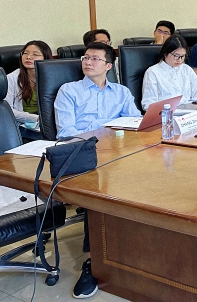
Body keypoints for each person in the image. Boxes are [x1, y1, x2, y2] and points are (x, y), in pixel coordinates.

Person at [54, 41, 141, 299]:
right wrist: (104, 137)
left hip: (118, 153)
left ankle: (137, 251)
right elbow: (66, 132)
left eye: (94, 58)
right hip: (84, 154)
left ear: (108, 66)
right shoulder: (69, 90)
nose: (88, 62)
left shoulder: (121, 92)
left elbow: (135, 121)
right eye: (85, 57)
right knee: (101, 192)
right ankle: (92, 262)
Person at [141, 34, 197, 110]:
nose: (179, 60)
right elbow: (148, 104)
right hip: (167, 113)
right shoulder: (153, 72)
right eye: (176, 55)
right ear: (165, 53)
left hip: (190, 111)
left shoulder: (186, 69)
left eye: (183, 56)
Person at [6, 40, 53, 141]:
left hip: (48, 125)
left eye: (35, 54)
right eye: (25, 53)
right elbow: (7, 110)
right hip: (22, 126)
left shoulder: (53, 77)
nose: (28, 57)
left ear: (45, 58)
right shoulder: (11, 78)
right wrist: (36, 118)